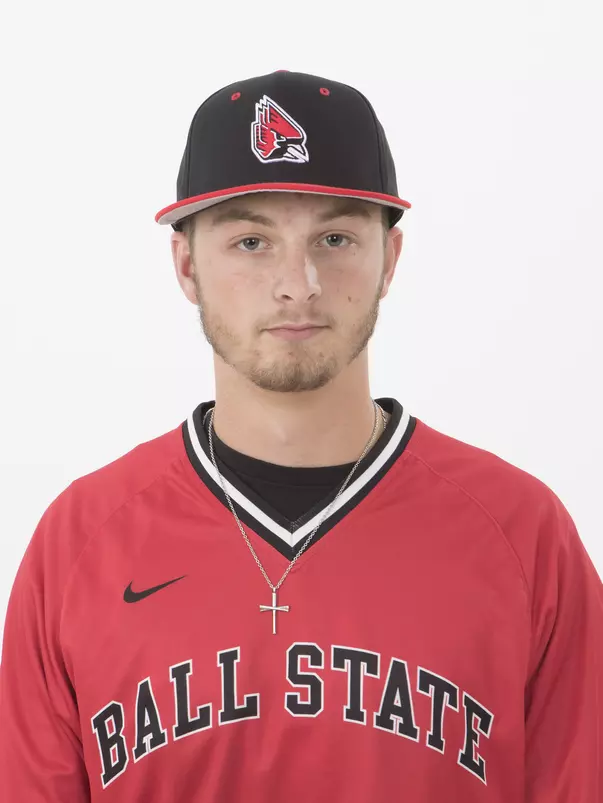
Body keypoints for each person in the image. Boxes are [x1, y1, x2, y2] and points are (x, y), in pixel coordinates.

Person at [0, 69, 601, 803]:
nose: (299, 282)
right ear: (187, 265)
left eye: (337, 236)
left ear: (390, 260)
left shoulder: (520, 530)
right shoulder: (81, 539)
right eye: (251, 240)